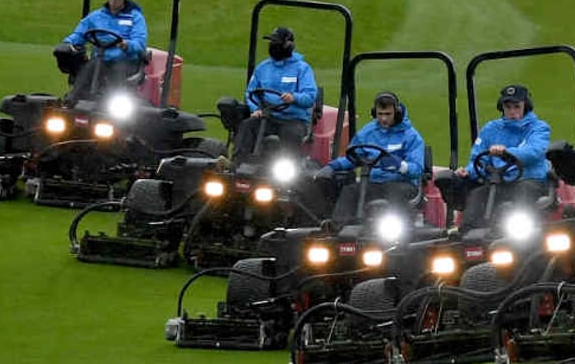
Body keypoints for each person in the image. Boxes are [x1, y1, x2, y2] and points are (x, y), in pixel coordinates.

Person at [314, 92, 426, 225]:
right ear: (375, 113)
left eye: (388, 114)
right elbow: (353, 157)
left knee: (394, 194)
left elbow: (417, 169)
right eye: (380, 114)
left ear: (397, 112)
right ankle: (340, 229)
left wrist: (400, 166)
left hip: (401, 184)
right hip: (373, 183)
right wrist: (332, 166)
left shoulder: (411, 136)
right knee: (350, 192)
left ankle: (393, 232)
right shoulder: (367, 133)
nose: (383, 119)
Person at [452, 84, 552, 231]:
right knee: (478, 195)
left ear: (526, 106)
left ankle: (521, 234)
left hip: (529, 180)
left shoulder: (538, 128)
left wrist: (507, 152)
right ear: (502, 107)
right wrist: (468, 171)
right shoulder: (490, 129)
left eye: (516, 107)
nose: (512, 111)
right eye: (508, 107)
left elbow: (533, 151)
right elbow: (478, 159)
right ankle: (470, 236)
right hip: (499, 182)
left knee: (523, 193)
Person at [230, 26, 319, 162]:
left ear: (288, 45)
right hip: (268, 116)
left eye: (277, 43)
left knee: (291, 134)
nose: (273, 46)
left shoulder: (302, 69)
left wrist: (294, 97)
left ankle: (287, 172)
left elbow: (310, 96)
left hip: (293, 120)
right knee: (248, 126)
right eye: (272, 43)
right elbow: (251, 93)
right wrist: (256, 109)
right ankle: (237, 164)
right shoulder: (263, 68)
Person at [56, 0, 148, 102]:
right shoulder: (96, 16)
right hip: (101, 59)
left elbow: (139, 42)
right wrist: (68, 42)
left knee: (117, 72)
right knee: (87, 70)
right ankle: (74, 101)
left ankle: (115, 106)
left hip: (125, 61)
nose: (114, 1)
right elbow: (79, 34)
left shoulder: (135, 17)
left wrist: (127, 45)